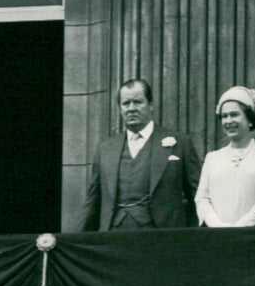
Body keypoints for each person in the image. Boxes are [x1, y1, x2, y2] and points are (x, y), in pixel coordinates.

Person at [80, 79, 201, 231]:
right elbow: (93, 199)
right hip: (113, 236)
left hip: (162, 237)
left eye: (138, 102)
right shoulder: (105, 149)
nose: (131, 108)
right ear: (120, 108)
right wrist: (76, 240)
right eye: (126, 103)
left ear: (150, 105)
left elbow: (198, 196)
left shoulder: (180, 143)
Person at [195, 86, 255, 227]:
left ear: (250, 119)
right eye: (224, 116)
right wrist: (218, 225)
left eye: (234, 114)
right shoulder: (212, 158)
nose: (228, 121)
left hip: (254, 235)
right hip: (218, 236)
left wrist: (242, 226)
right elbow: (202, 198)